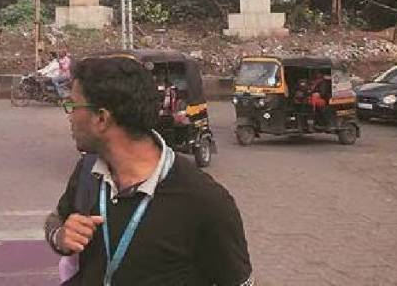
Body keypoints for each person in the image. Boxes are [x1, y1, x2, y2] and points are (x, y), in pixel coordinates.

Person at [45, 54, 252, 285]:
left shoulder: (205, 201)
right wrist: (60, 236)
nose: (70, 117)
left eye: (73, 106)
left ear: (101, 118)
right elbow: (57, 219)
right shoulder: (88, 169)